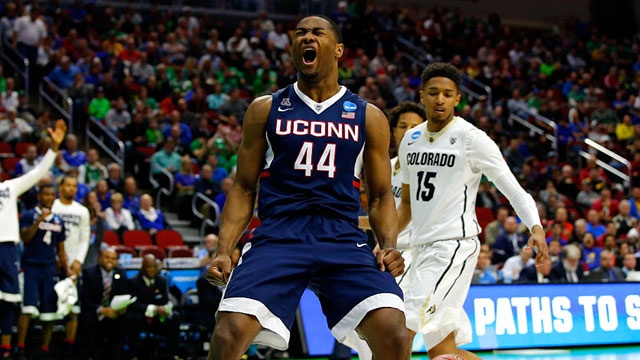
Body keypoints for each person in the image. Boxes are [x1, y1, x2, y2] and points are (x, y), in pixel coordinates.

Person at [206, 16, 410, 360]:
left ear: (338, 50)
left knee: (395, 333)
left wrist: (388, 245)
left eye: (317, 32)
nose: (307, 37)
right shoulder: (265, 109)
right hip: (278, 234)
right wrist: (225, 248)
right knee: (228, 335)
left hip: (342, 237)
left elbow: (379, 195)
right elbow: (242, 188)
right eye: (300, 33)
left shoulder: (368, 115)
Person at [396, 62, 549, 360]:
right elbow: (407, 205)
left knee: (400, 328)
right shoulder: (410, 139)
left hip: (453, 247)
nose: (440, 99)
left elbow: (514, 190)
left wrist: (536, 228)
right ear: (422, 96)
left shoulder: (472, 139)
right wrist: (388, 243)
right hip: (417, 248)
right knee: (441, 350)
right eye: (433, 93)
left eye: (447, 94)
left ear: (457, 99)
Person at [0, 119, 65, 359]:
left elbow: (38, 173)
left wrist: (54, 148)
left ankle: (6, 348)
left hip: (7, 247)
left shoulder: (9, 187)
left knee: (8, 301)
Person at [16, 182, 68, 359]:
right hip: (30, 267)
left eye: (52, 195)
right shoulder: (29, 215)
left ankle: (45, 349)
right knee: (28, 308)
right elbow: (25, 238)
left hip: (49, 268)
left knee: (50, 311)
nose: (49, 198)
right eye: (46, 195)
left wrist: (67, 270)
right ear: (39, 197)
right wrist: (39, 221)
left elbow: (60, 249)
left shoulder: (59, 220)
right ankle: (20, 347)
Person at [52, 175, 91, 356]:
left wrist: (78, 261)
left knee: (73, 309)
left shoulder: (82, 211)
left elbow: (85, 239)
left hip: (73, 265)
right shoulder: (53, 206)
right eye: (68, 185)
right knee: (51, 307)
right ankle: (48, 345)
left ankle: (68, 348)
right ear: (60, 187)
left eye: (74, 186)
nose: (71, 189)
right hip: (53, 263)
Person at [79, 247, 133, 360]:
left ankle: (117, 354)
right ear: (100, 258)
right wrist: (101, 310)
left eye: (113, 258)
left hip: (113, 311)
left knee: (127, 319)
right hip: (95, 310)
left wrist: (122, 308)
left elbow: (125, 294)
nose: (110, 261)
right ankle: (92, 354)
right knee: (88, 319)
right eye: (107, 257)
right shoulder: (89, 273)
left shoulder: (121, 273)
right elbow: (84, 299)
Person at [130, 254, 181, 359]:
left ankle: (171, 354)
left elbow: (165, 300)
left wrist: (165, 309)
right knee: (132, 318)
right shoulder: (133, 281)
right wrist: (153, 309)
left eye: (154, 267)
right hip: (141, 316)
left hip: (158, 317)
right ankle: (134, 354)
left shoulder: (162, 281)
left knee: (175, 316)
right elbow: (134, 304)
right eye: (149, 267)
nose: (152, 270)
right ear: (143, 268)